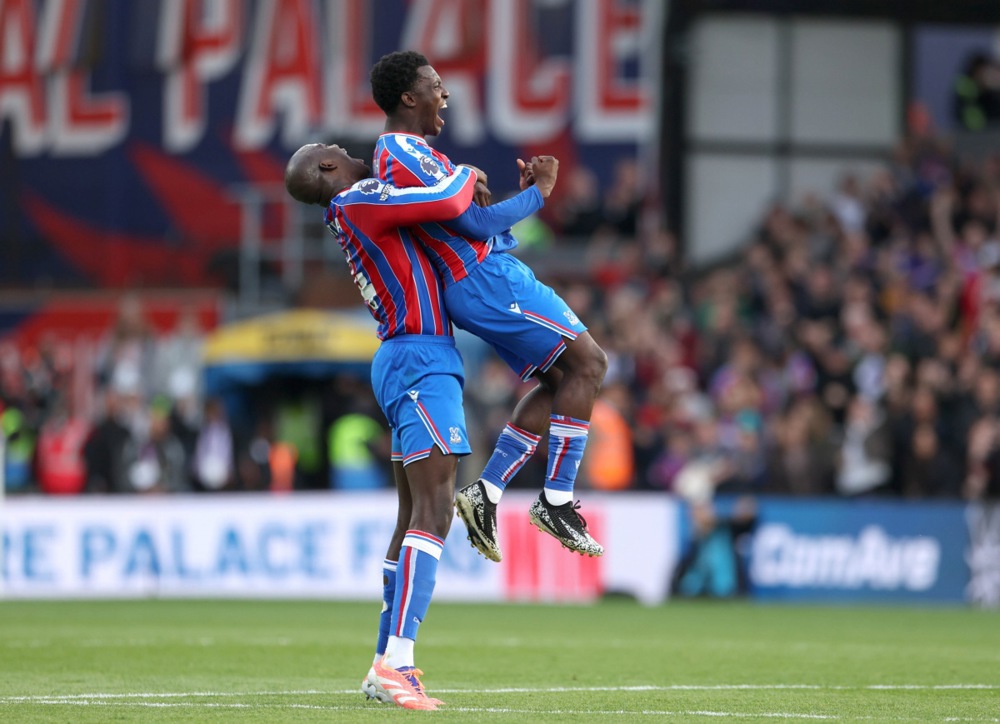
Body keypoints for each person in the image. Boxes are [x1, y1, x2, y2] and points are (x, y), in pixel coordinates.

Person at [284, 143, 558, 709]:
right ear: (328, 168)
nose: (345, 149)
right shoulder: (360, 197)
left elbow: (443, 218)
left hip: (404, 358)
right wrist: (477, 175)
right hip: (421, 359)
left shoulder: (356, 211)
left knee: (412, 513)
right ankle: (400, 662)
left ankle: (383, 660)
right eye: (333, 149)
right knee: (435, 508)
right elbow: (447, 198)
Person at [369, 50, 608, 564]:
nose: (445, 94)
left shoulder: (410, 154)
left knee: (561, 380)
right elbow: (473, 227)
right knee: (591, 363)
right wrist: (539, 194)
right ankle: (557, 499)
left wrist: (501, 195)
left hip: (483, 277)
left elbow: (467, 217)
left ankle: (489, 492)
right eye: (435, 84)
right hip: (485, 279)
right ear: (409, 97)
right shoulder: (399, 152)